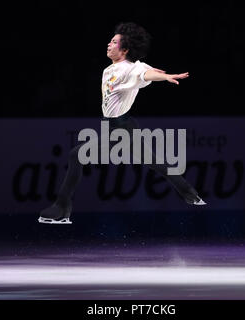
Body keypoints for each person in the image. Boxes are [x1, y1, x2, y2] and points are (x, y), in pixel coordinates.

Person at [38, 22, 206, 225]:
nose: (109, 44)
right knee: (154, 162)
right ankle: (190, 193)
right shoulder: (109, 70)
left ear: (125, 50)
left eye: (114, 42)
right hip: (119, 126)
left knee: (76, 155)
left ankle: (61, 209)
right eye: (110, 40)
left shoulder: (131, 68)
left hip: (120, 130)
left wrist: (165, 77)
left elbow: (145, 74)